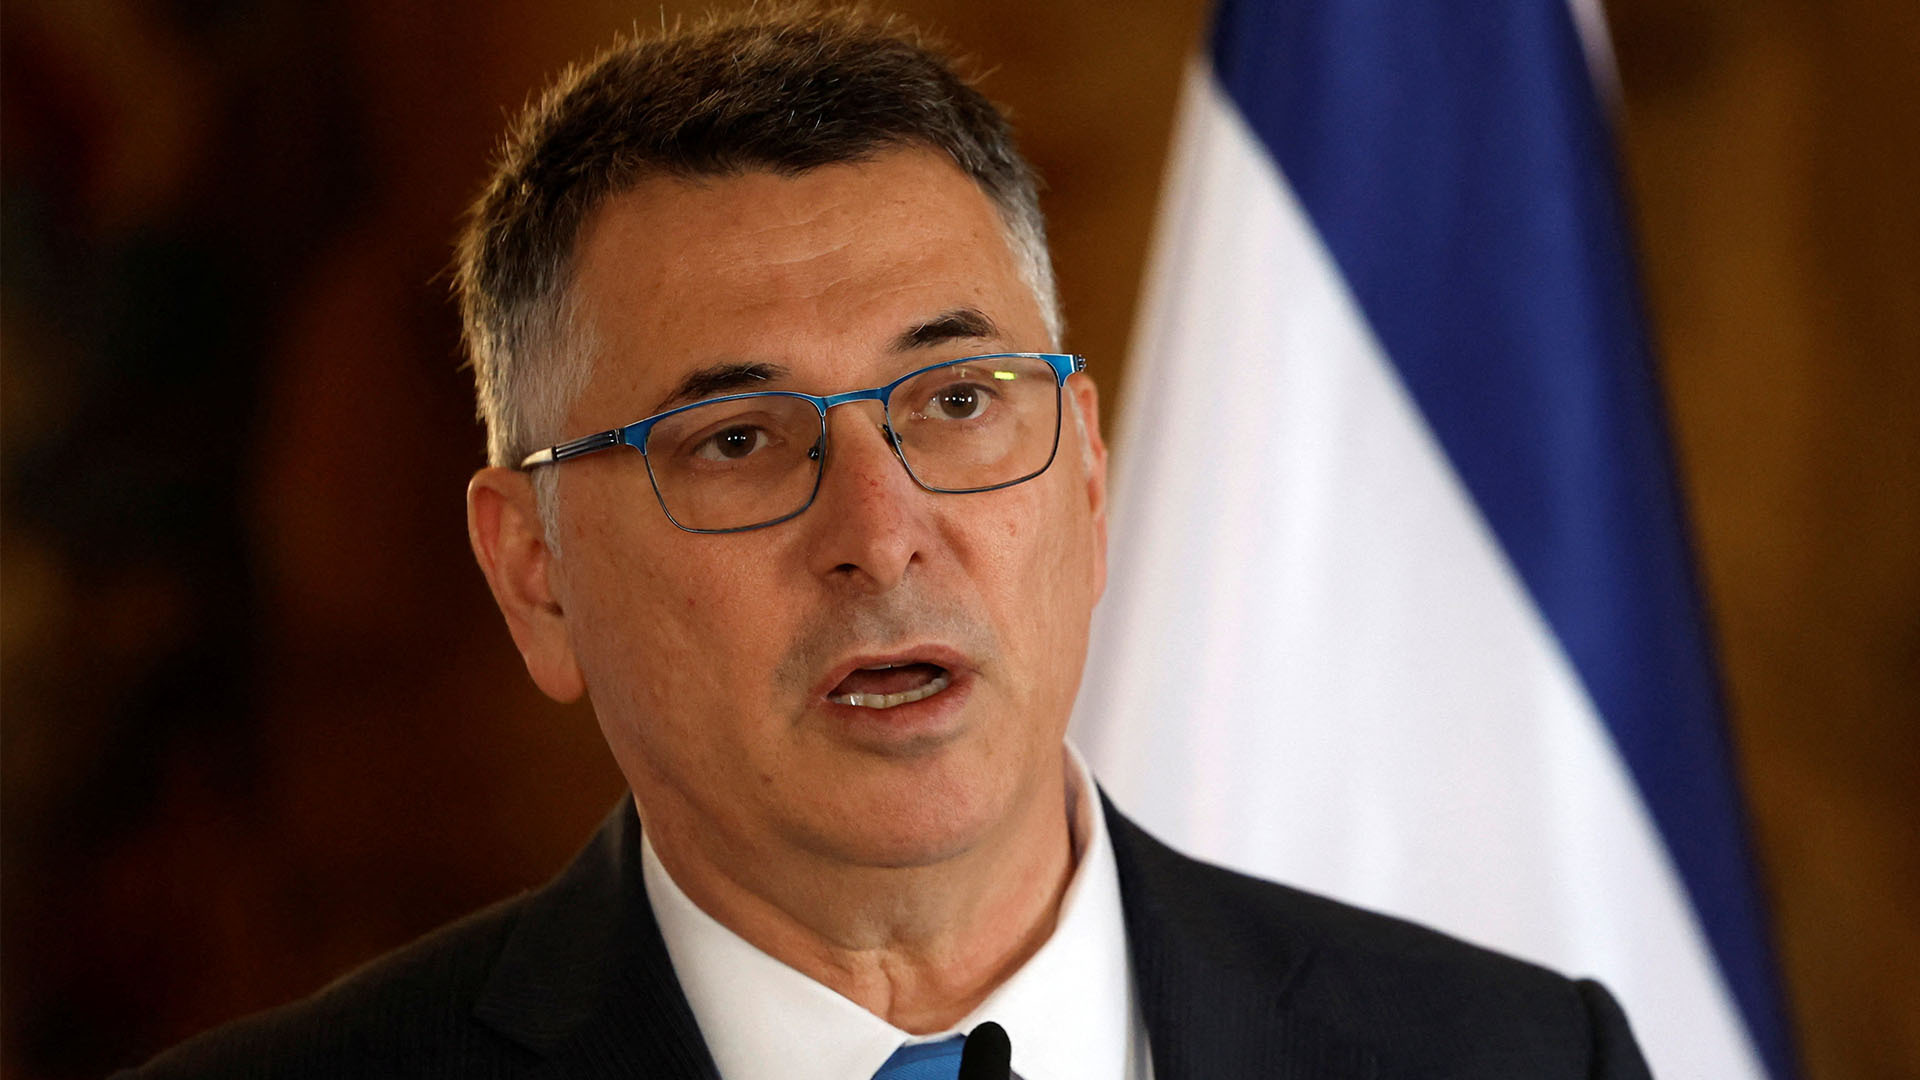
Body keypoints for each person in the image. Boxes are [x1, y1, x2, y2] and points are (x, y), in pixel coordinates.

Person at [121, 8, 1652, 1078]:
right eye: (737, 439)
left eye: (959, 401)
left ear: (1088, 477)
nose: (881, 532)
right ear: (535, 572)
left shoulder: (1524, 1059)